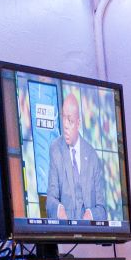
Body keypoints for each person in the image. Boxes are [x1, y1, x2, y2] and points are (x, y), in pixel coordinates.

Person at [44, 89, 108, 224]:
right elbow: (50, 200)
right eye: (63, 118)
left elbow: (102, 210)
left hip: (88, 231)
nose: (66, 126)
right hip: (66, 229)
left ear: (78, 123)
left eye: (70, 121)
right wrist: (59, 210)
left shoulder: (91, 155)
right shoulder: (56, 149)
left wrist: (91, 215)